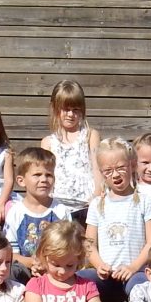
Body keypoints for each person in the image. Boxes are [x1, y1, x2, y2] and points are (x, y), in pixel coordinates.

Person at [86, 137, 151, 302]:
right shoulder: (97, 204)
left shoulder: (145, 201)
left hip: (135, 272)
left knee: (141, 286)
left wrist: (133, 267)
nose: (115, 175)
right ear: (101, 172)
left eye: (120, 168)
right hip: (107, 273)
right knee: (81, 279)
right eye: (108, 171)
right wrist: (99, 265)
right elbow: (88, 244)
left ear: (132, 165)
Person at [42, 79, 100, 224]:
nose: (70, 114)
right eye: (66, 109)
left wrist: (97, 195)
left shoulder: (90, 135)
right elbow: (45, 174)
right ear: (55, 108)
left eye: (75, 110)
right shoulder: (48, 142)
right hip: (58, 206)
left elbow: (98, 169)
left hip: (86, 206)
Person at [3, 146, 67, 273]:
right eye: (37, 175)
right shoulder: (15, 212)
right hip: (25, 269)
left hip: (56, 271)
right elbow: (10, 254)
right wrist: (32, 263)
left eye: (49, 175)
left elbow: (69, 248)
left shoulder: (60, 210)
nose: (44, 180)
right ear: (21, 181)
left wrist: (48, 265)